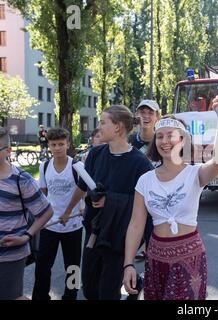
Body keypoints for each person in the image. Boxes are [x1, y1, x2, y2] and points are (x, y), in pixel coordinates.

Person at [122, 96, 218, 300]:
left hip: (189, 257)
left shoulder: (195, 174)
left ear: (182, 140)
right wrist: (128, 263)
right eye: (160, 137)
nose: (165, 142)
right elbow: (136, 225)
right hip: (155, 257)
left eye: (171, 136)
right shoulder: (145, 180)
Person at [61, 105, 153, 300]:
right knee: (89, 288)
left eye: (103, 122)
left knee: (108, 293)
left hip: (120, 237)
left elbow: (145, 206)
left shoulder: (140, 163)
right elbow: (83, 186)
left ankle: (134, 281)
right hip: (94, 233)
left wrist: (109, 200)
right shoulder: (95, 154)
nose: (99, 127)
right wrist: (68, 210)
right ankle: (135, 280)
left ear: (118, 127)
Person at [0, 126, 53, 300]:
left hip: (11, 254)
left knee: (12, 297)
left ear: (8, 150)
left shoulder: (21, 179)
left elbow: (47, 212)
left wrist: (26, 236)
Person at [32, 128, 84, 300]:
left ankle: (71, 296)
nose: (58, 148)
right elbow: (43, 194)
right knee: (42, 266)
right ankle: (40, 297)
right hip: (50, 225)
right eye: (54, 144)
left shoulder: (77, 166)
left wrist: (69, 211)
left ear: (68, 144)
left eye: (61, 144)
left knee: (73, 267)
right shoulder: (45, 165)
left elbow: (83, 190)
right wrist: (38, 216)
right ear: (48, 146)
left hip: (72, 226)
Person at [129, 99, 160, 261]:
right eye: (142, 112)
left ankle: (150, 280)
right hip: (132, 201)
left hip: (156, 203)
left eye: (150, 113)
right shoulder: (130, 141)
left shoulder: (162, 141)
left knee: (153, 249)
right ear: (137, 115)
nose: (146, 116)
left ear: (157, 117)